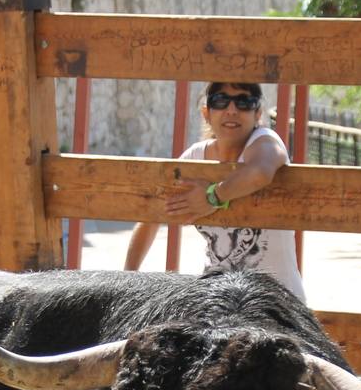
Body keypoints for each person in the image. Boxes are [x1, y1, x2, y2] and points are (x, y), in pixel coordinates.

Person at [124, 82, 302, 300]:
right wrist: (127, 279)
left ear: (258, 114)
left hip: (276, 304)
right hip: (219, 299)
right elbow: (150, 215)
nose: (231, 110)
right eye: (220, 101)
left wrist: (212, 197)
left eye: (243, 102)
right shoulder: (195, 159)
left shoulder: (266, 142)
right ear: (206, 113)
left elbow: (260, 173)